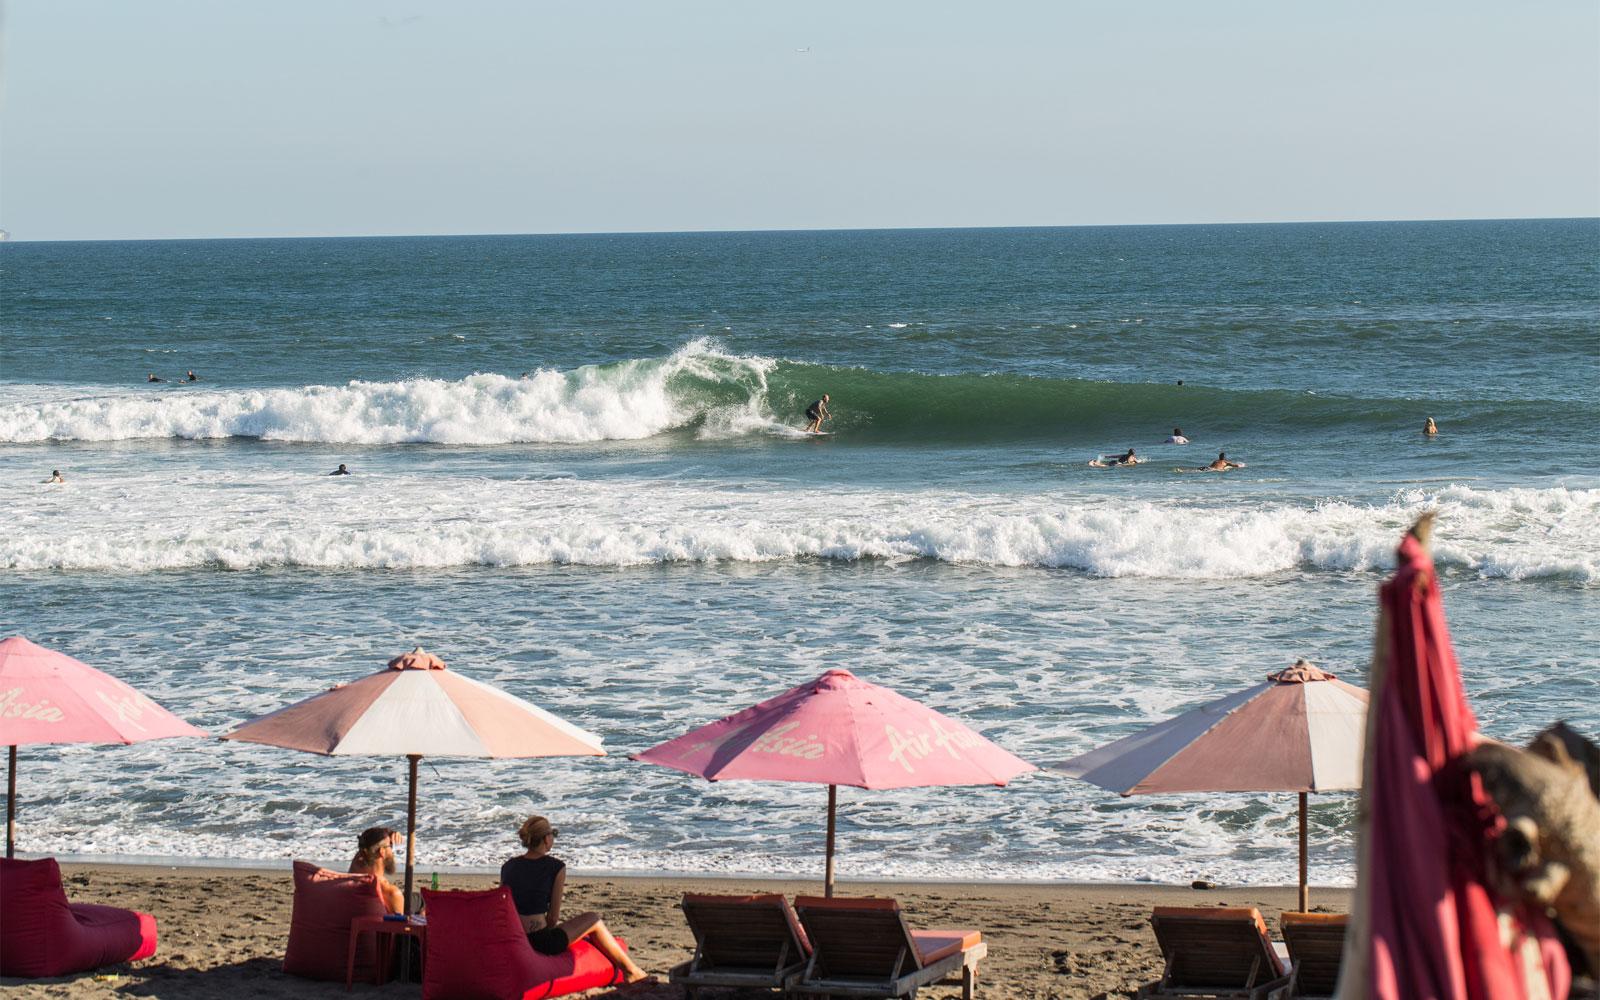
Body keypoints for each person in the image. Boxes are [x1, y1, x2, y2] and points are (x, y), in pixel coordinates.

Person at [500, 816, 651, 984]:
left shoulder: (508, 866)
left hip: (515, 939)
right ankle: (632, 971)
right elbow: (552, 918)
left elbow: (504, 907)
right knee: (593, 919)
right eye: (553, 834)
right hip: (541, 942)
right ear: (546, 839)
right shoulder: (555, 866)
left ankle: (632, 972)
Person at [349, 827, 405, 914]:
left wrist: (389, 833)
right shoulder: (391, 893)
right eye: (390, 846)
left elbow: (368, 842)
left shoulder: (356, 867)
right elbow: (398, 926)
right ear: (382, 852)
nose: (392, 851)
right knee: (420, 902)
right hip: (386, 917)